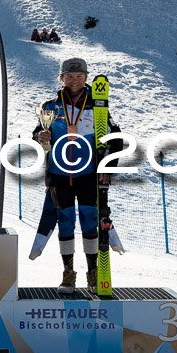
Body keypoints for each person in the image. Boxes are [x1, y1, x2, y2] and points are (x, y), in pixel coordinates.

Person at [33, 58, 122, 294]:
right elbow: (38, 133)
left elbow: (116, 138)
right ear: (61, 78)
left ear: (86, 78)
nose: (75, 80)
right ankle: (68, 274)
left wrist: (107, 167)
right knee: (65, 224)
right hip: (58, 175)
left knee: (90, 221)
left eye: (80, 76)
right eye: (70, 77)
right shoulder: (50, 106)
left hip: (88, 175)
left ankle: (94, 273)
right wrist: (40, 138)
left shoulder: (98, 106)